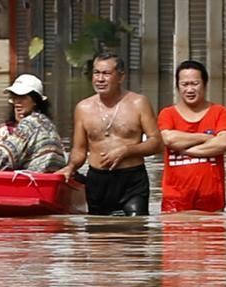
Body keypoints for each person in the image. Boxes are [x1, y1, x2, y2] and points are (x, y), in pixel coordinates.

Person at [57, 52, 161, 216]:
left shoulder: (138, 103)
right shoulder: (83, 108)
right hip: (98, 180)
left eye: (106, 73)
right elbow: (79, 149)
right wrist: (70, 168)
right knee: (100, 237)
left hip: (131, 179)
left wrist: (127, 151)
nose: (100, 79)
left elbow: (157, 143)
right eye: (96, 73)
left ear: (121, 77)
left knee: (136, 230)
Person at [158, 60, 226, 213]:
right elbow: (169, 139)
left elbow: (223, 143)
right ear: (177, 86)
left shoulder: (220, 112)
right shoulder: (168, 114)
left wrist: (186, 150)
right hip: (175, 200)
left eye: (195, 83)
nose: (189, 89)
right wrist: (206, 138)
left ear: (205, 84)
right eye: (184, 84)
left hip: (211, 199)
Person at [0, 74, 66, 173]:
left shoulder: (29, 123)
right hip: (49, 177)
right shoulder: (49, 124)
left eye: (23, 97)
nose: (17, 102)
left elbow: (8, 152)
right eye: (15, 97)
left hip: (35, 178)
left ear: (35, 100)